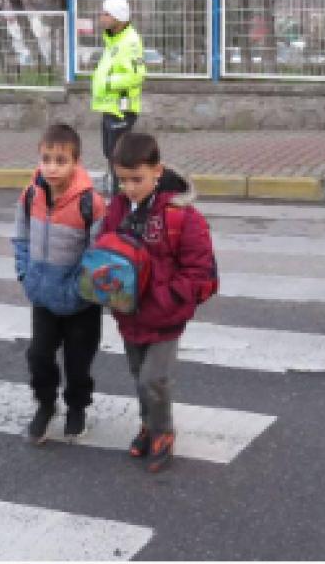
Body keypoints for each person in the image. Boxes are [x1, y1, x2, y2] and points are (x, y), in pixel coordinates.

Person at [99, 133, 217, 473]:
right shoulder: (119, 208)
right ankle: (147, 424)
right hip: (128, 312)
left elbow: (199, 272)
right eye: (122, 180)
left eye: (137, 179)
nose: (130, 187)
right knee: (138, 376)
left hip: (165, 316)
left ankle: (163, 430)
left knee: (155, 379)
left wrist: (164, 300)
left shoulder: (182, 216)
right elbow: (105, 249)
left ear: (157, 171)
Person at [12, 123, 108, 443]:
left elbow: (98, 254)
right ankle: (46, 404)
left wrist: (77, 290)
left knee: (78, 363)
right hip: (43, 297)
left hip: (80, 303)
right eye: (46, 159)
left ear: (76, 161)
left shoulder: (90, 203)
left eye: (60, 160)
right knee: (39, 356)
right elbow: (21, 239)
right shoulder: (30, 196)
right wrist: (26, 275)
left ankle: (77, 407)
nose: (52, 167)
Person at [91, 0, 145, 194]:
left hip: (122, 109)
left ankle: (123, 200)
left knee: (120, 158)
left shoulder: (129, 42)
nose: (101, 17)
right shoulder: (114, 40)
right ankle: (119, 199)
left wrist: (107, 82)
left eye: (106, 14)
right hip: (110, 107)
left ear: (118, 17)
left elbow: (136, 76)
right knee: (110, 154)